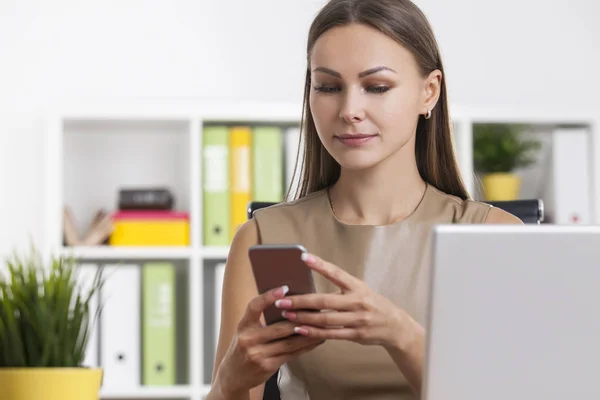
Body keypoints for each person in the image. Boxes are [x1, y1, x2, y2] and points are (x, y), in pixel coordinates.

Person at [206, 0, 522, 399]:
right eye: (328, 86)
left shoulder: (494, 237)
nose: (350, 110)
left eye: (377, 87)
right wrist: (229, 381)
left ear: (429, 92)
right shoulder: (263, 238)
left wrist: (401, 335)